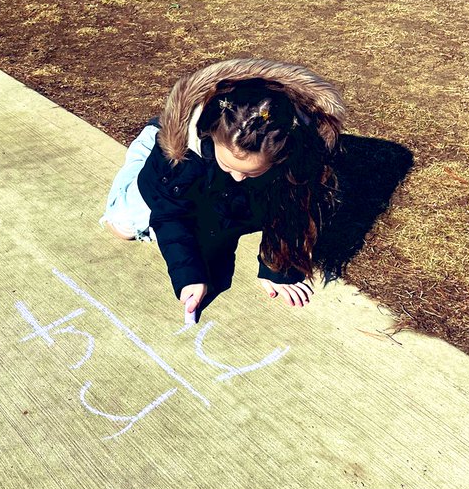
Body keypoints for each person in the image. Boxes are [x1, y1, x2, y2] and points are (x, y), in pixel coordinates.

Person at [101, 58, 346, 320]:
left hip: (214, 175)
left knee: (221, 218)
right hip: (167, 163)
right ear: (211, 135)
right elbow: (169, 213)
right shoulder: (180, 152)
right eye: (230, 165)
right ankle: (144, 150)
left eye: (251, 171)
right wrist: (189, 277)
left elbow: (293, 206)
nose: (240, 177)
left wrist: (279, 269)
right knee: (124, 226)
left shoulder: (295, 152)